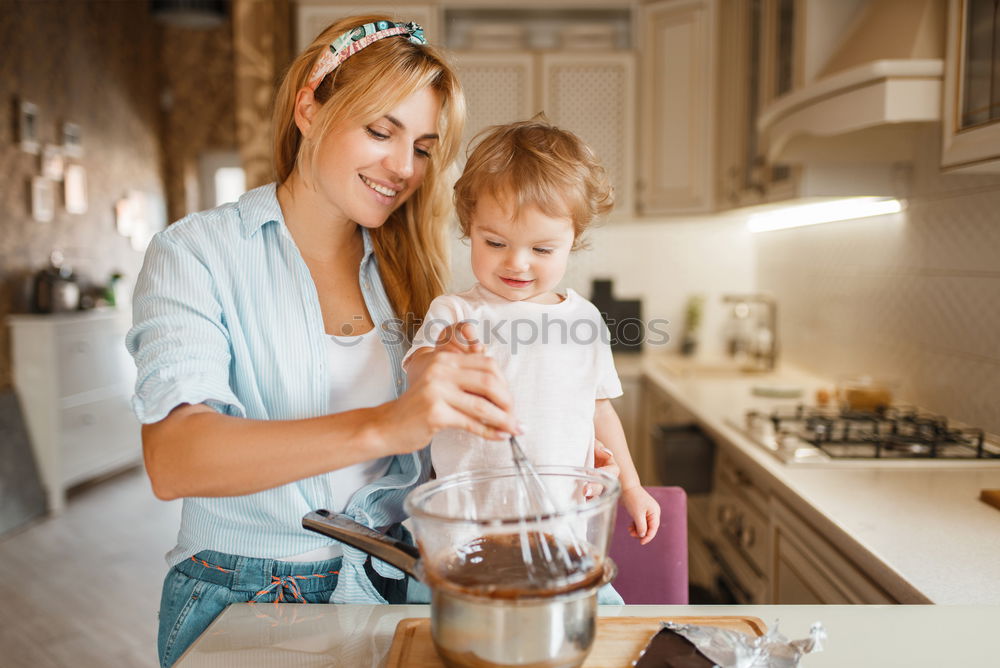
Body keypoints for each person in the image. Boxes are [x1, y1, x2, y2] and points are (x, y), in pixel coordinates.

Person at [126, 16, 519, 667]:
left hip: (394, 585)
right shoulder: (197, 252)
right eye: (379, 131)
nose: (403, 167)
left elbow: (428, 446)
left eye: (423, 147)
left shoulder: (408, 270)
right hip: (251, 596)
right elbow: (175, 458)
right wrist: (385, 425)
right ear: (310, 106)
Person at [402, 118, 662, 564]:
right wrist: (442, 355)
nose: (518, 263)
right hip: (466, 530)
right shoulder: (456, 312)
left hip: (562, 527)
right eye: (495, 242)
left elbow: (600, 408)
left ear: (573, 240)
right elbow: (416, 371)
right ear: (470, 226)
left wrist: (633, 487)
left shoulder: (584, 320)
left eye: (542, 250)